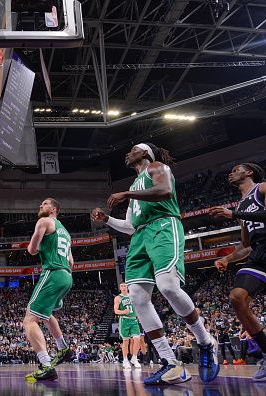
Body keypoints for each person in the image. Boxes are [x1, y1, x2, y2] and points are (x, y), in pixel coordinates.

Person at [92, 143, 218, 386]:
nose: (128, 153)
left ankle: (204, 341)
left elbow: (165, 191)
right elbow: (130, 226)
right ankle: (171, 363)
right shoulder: (132, 186)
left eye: (133, 149)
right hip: (140, 237)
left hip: (163, 226)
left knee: (168, 287)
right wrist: (107, 219)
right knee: (138, 297)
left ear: (145, 153)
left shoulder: (157, 168)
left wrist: (127, 195)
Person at [210, 162, 266, 381]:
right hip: (258, 252)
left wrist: (234, 214)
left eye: (236, 169)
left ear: (249, 172)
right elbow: (246, 245)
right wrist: (226, 258)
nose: (231, 173)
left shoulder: (265, 187)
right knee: (237, 297)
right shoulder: (242, 206)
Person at [23, 198, 75, 382]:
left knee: (29, 320)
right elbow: (71, 262)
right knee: (46, 314)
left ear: (53, 209)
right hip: (67, 277)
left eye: (44, 204)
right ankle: (63, 348)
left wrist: (37, 245)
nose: (40, 206)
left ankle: (45, 365)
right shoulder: (66, 232)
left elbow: (32, 249)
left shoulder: (44, 221)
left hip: (52, 273)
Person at [114, 282, 142, 369]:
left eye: (125, 286)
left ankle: (134, 358)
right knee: (126, 341)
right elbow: (116, 311)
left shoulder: (133, 296)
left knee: (137, 339)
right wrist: (123, 312)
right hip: (124, 320)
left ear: (128, 287)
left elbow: (137, 307)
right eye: (121, 286)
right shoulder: (118, 298)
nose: (123, 287)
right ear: (120, 288)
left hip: (133, 319)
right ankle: (125, 360)